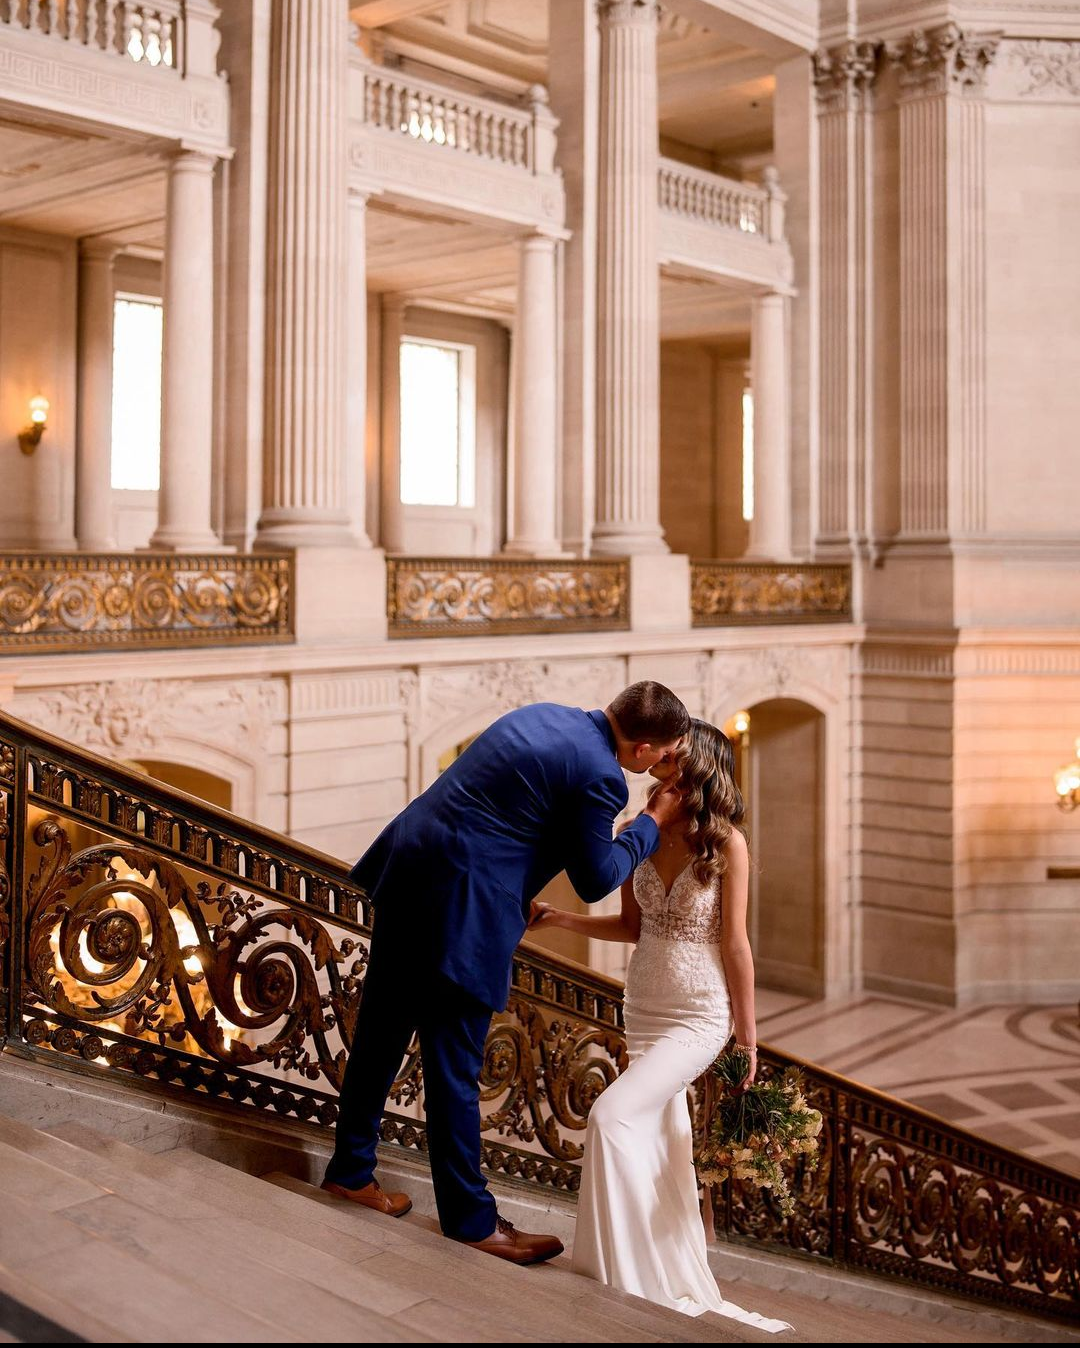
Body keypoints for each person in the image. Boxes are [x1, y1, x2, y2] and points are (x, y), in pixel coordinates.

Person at [321, 681, 690, 1265]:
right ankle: (472, 1222)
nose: (664, 763)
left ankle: (350, 1170)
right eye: (665, 752)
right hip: (460, 907)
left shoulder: (547, 714)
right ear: (644, 747)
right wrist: (650, 819)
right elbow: (597, 879)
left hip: (413, 867)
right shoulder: (602, 775)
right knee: (454, 1065)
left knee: (383, 1031)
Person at [530, 718, 792, 1331]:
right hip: (644, 1005)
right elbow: (631, 927)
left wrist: (747, 1037)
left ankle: (627, 1275)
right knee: (657, 1142)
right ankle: (655, 1270)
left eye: (672, 761)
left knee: (612, 1115)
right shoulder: (636, 833)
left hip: (700, 1012)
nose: (657, 768)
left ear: (696, 766)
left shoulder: (727, 844)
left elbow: (736, 945)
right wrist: (560, 921)